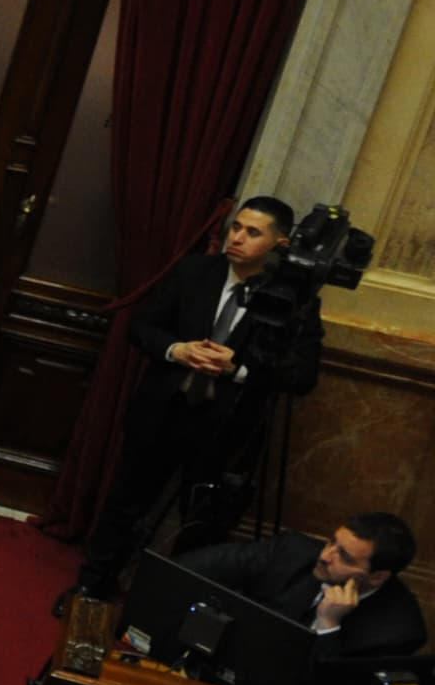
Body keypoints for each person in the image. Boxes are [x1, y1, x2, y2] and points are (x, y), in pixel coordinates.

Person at [77, 197, 323, 595]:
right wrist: (178, 350)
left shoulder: (294, 302)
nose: (237, 237)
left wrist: (239, 370)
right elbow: (142, 327)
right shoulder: (195, 272)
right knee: (125, 505)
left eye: (252, 232)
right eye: (236, 227)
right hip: (161, 413)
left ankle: (166, 606)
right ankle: (92, 588)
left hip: (224, 431)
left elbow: (302, 375)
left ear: (280, 243)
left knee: (202, 527)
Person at [182, 512, 426, 664]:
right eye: (332, 541)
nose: (326, 555)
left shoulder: (398, 631)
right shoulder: (292, 552)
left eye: (345, 557)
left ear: (377, 577)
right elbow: (193, 568)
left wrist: (328, 625)